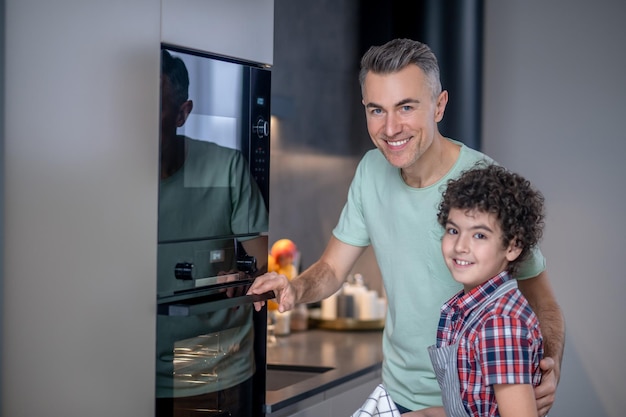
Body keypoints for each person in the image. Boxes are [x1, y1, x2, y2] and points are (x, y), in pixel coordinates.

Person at [248, 38, 564, 416]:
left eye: (406, 107)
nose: (391, 127)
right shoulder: (370, 171)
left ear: (439, 105)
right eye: (376, 110)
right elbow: (332, 269)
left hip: (475, 405)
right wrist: (294, 288)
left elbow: (541, 299)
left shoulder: (485, 184)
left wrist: (550, 362)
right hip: (399, 396)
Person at [156, 49, 268, 417]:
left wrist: (243, 272)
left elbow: (259, 257)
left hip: (206, 363)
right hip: (118, 363)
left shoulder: (224, 166)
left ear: (182, 113)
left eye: (153, 108)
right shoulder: (103, 177)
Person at [416, 164, 545, 417]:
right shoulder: (472, 309)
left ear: (513, 246)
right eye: (453, 230)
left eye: (480, 236)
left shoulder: (499, 323)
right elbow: (473, 409)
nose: (460, 246)